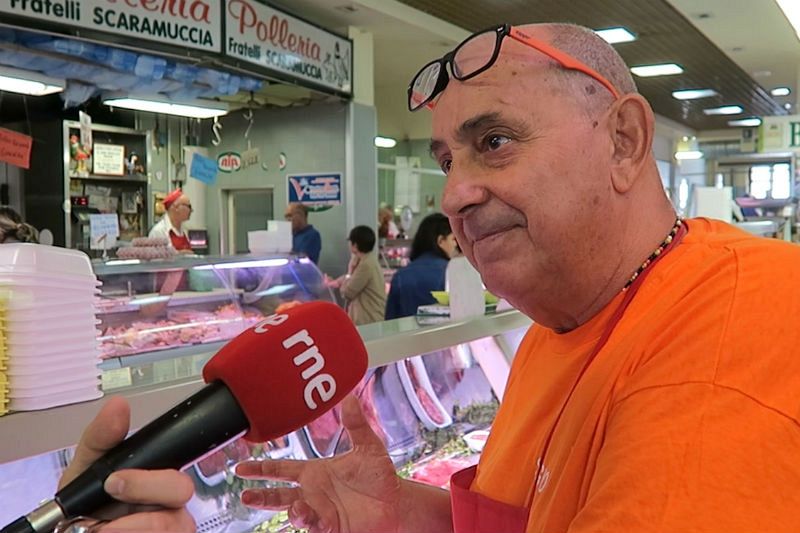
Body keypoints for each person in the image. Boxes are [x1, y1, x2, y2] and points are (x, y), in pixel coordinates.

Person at [60, 22, 800, 533]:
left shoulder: (722, 338)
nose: (453, 195)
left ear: (625, 140)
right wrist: (407, 516)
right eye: (447, 160)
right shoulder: (563, 321)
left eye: (495, 141)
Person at [385, 212, 458, 319]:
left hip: (407, 330)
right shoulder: (452, 272)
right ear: (440, 241)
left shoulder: (400, 276)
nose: (456, 244)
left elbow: (390, 321)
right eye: (453, 239)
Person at [327, 225, 386, 325]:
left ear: (355, 245)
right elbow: (354, 279)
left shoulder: (365, 265)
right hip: (370, 318)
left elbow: (347, 292)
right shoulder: (366, 260)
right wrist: (336, 282)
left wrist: (349, 271)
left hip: (368, 320)